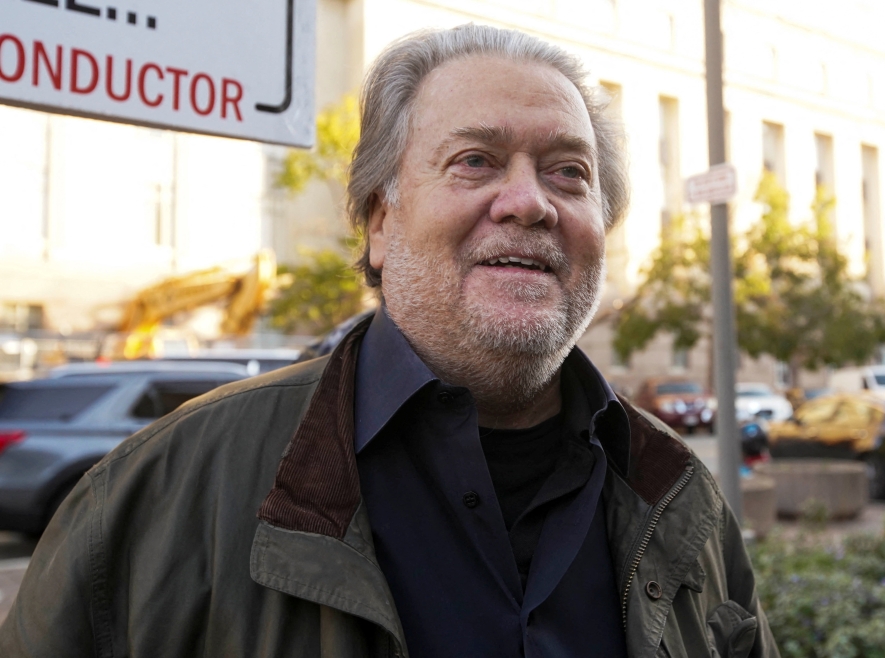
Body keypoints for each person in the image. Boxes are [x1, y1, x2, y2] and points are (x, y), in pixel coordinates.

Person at [0, 24, 778, 658]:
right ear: (380, 223)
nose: (528, 201)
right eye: (475, 161)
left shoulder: (680, 498)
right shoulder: (161, 494)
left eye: (568, 172)